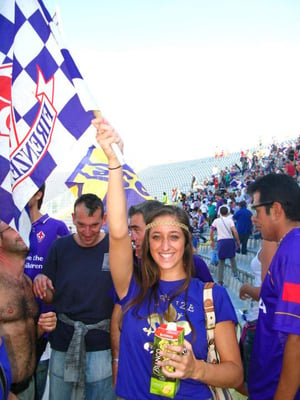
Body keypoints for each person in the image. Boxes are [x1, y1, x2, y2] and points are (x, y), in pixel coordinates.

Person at [93, 118, 243, 400]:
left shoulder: (212, 296)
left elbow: (235, 373)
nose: (165, 245)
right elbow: (116, 233)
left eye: (174, 236)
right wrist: (114, 163)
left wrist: (195, 369)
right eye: (156, 236)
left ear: (187, 243)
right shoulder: (132, 286)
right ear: (146, 243)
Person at [33, 194, 116, 400]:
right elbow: (51, 297)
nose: (87, 232)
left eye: (94, 225)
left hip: (102, 345)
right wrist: (42, 283)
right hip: (63, 343)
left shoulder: (116, 248)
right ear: (73, 218)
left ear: (103, 220)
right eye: (81, 225)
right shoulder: (60, 248)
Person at [246, 173, 300, 400]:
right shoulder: (289, 248)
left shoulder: (293, 254)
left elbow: (296, 338)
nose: (253, 219)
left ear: (276, 209)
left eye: (256, 210)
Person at [0, 220, 57, 400]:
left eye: (22, 226)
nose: (21, 231)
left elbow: (23, 336)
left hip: (28, 387)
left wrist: (42, 327)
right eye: (12, 228)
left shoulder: (27, 283)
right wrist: (4, 391)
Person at [24, 184, 70, 400]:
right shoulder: (10, 228)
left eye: (25, 189)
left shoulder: (57, 227)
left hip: (45, 324)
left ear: (39, 194)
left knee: (37, 383)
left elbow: (68, 273)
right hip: (15, 323)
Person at [237, 239, 277, 396]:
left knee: (253, 386)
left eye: (258, 213)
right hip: (259, 320)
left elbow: (268, 291)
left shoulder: (271, 241)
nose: (254, 218)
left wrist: (246, 288)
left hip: (260, 322)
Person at [210, 205, 240, 285]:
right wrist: (238, 241)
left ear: (220, 213)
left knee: (221, 261)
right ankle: (235, 274)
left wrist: (212, 240)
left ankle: (220, 280)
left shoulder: (216, 221)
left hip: (221, 241)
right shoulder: (230, 220)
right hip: (229, 240)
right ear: (227, 212)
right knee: (232, 258)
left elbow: (212, 231)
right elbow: (235, 231)